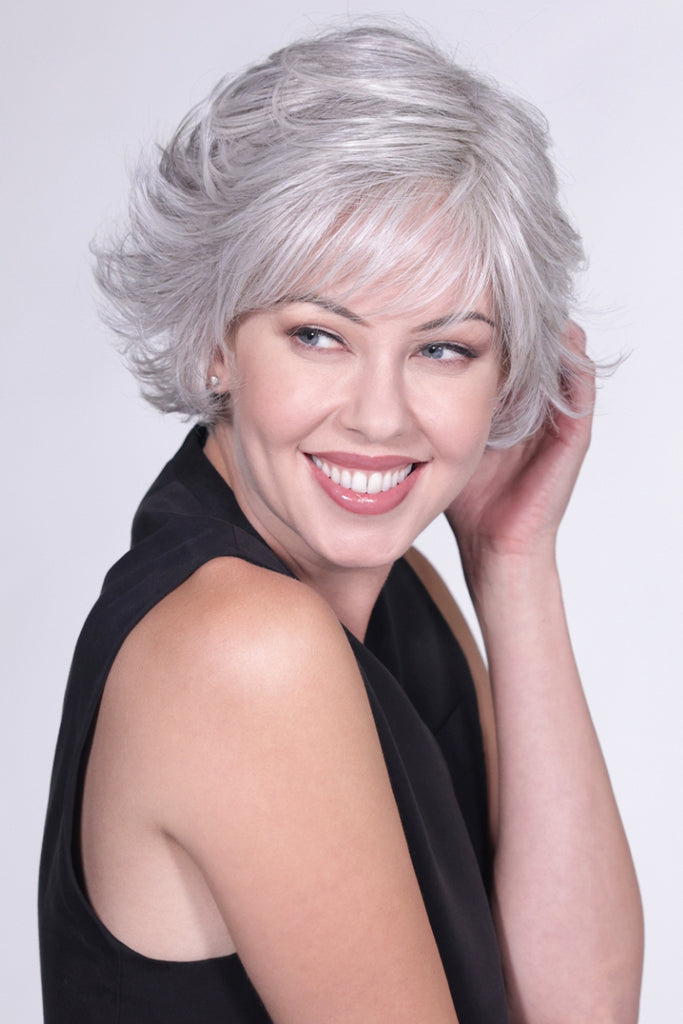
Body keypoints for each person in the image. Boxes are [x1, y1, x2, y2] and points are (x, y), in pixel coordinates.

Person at [38, 23, 643, 1024]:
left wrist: (512, 560)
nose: (377, 414)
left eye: (443, 349)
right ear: (216, 343)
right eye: (318, 334)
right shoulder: (243, 649)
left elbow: (581, 1009)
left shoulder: (397, 590)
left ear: (505, 377)